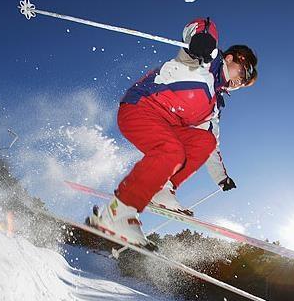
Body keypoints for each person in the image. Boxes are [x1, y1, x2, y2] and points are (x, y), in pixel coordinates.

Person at [89, 17, 258, 248]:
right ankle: (116, 213)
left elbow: (211, 148)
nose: (242, 81)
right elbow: (202, 25)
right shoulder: (203, 60)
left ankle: (162, 187)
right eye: (245, 71)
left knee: (205, 140)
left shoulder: (214, 105)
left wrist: (221, 178)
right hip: (140, 108)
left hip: (167, 127)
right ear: (230, 57)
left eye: (246, 82)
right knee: (172, 151)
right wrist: (203, 39)